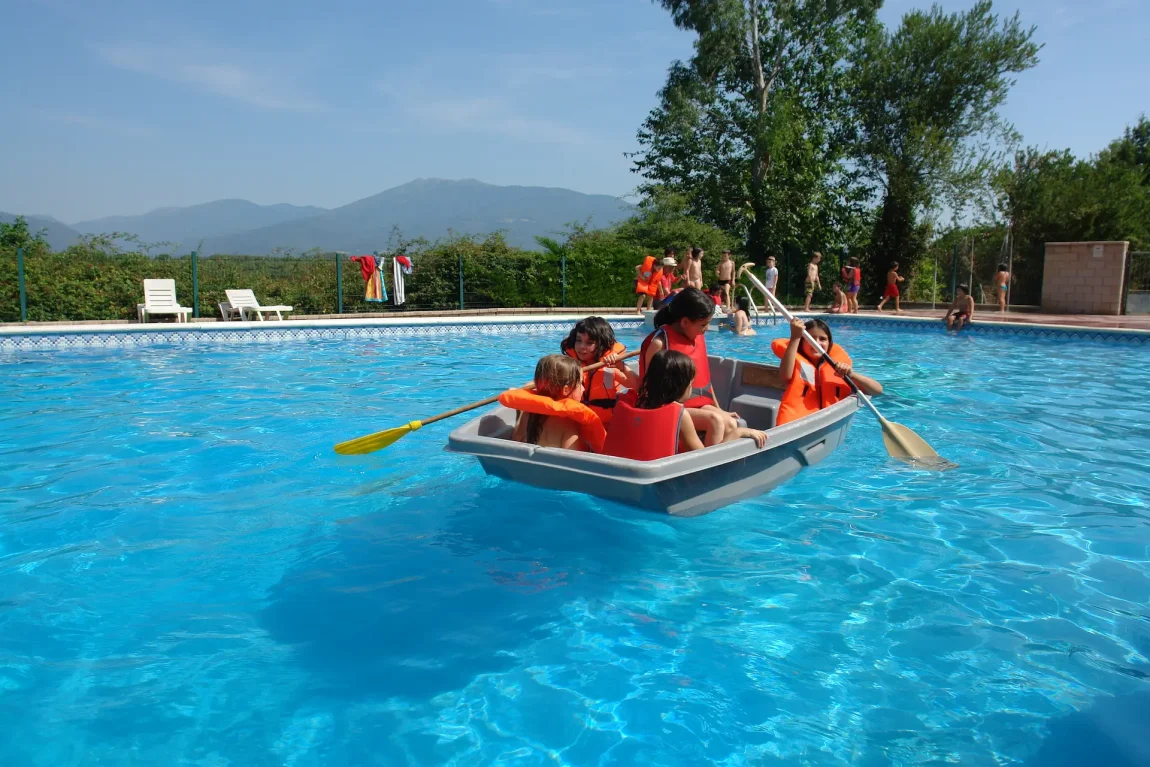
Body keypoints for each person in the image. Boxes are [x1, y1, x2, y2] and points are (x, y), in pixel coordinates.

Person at [603, 350, 767, 460]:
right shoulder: (680, 416)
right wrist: (738, 433)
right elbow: (707, 459)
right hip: (664, 480)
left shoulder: (637, 403)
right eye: (691, 384)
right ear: (682, 387)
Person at [640, 288, 740, 446]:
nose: (707, 328)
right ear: (685, 322)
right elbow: (650, 390)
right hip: (667, 408)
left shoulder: (695, 336)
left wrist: (719, 408)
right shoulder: (659, 344)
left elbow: (705, 382)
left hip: (696, 404)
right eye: (703, 324)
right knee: (715, 420)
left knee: (731, 423)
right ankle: (706, 460)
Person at [773, 318, 883, 426]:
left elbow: (877, 390)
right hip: (799, 424)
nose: (816, 343)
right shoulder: (794, 362)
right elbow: (785, 376)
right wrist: (795, 337)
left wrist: (851, 375)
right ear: (801, 342)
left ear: (829, 343)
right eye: (810, 338)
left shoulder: (838, 367)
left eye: (822, 339)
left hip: (832, 422)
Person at [500, 355, 606, 452]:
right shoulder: (570, 423)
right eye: (581, 383)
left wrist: (519, 410)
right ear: (566, 390)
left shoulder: (527, 413)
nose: (583, 389)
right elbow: (570, 460)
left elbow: (516, 441)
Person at [560, 316, 639, 426]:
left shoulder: (609, 366)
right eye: (578, 340)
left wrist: (621, 366)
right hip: (578, 424)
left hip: (604, 425)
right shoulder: (569, 364)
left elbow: (637, 385)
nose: (582, 346)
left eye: (589, 343)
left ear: (601, 345)